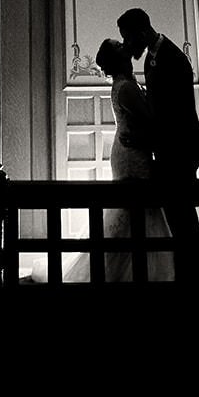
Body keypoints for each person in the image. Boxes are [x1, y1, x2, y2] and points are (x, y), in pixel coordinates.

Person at [64, 38, 173, 284]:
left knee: (137, 211)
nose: (126, 44)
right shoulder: (125, 88)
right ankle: (124, 272)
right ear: (118, 57)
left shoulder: (126, 84)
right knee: (135, 208)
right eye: (119, 45)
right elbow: (152, 119)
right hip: (131, 155)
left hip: (131, 148)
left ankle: (136, 268)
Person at [117, 8, 199, 283]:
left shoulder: (172, 58)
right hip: (169, 149)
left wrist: (145, 140)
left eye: (129, 39)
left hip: (180, 150)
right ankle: (184, 274)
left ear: (142, 32)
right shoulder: (154, 57)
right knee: (176, 216)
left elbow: (173, 116)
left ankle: (191, 276)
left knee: (183, 216)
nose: (128, 46)